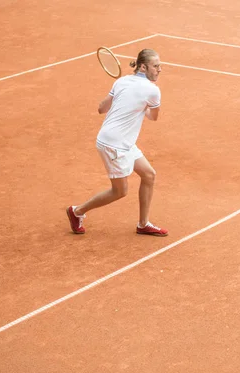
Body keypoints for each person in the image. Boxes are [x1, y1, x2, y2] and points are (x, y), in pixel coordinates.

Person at [66, 49, 168, 237]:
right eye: (156, 66)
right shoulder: (153, 90)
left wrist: (127, 103)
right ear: (143, 67)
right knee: (119, 191)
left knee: (149, 175)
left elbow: (101, 108)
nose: (159, 69)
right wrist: (140, 107)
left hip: (122, 141)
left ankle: (143, 224)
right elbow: (153, 117)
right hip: (114, 145)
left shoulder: (121, 81)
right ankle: (77, 211)